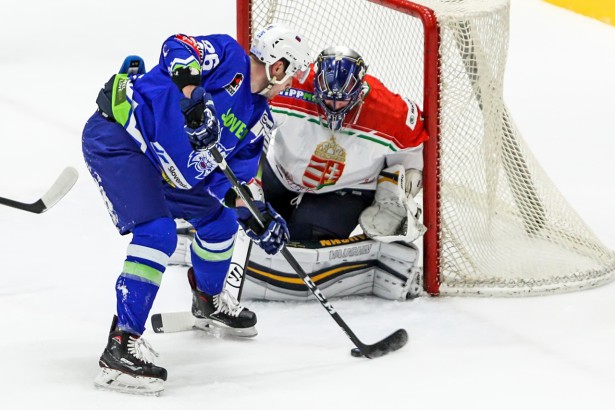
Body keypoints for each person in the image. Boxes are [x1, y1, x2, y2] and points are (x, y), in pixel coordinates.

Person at [82, 24, 311, 395]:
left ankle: (208, 302)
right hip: (123, 139)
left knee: (221, 223)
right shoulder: (227, 55)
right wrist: (194, 98)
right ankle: (121, 347)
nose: (290, 83)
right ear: (279, 66)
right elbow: (177, 48)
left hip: (170, 173)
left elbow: (230, 182)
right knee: (157, 233)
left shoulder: (257, 118)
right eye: (292, 73)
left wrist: (256, 214)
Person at [170, 46, 429, 302]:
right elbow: (244, 120)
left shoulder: (389, 111)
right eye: (327, 98)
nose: (334, 105)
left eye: (342, 100)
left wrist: (398, 184)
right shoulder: (290, 89)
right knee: (245, 220)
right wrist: (251, 178)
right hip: (283, 175)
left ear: (360, 92)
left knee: (296, 244)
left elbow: (412, 147)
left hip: (344, 191)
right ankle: (200, 224)